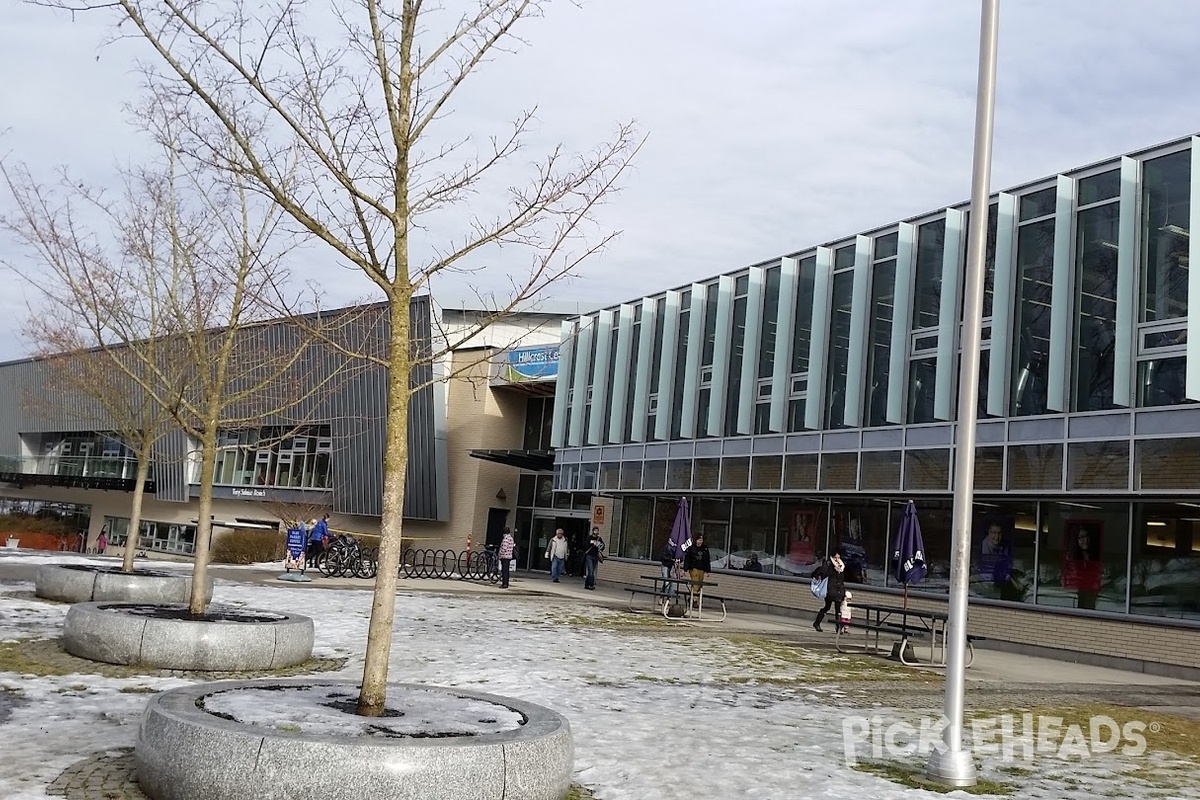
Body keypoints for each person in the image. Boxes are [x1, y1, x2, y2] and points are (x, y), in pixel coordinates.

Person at [812, 550, 847, 633]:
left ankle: (838, 628)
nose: (837, 560)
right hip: (830, 589)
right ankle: (817, 622)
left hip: (839, 590)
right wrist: (832, 568)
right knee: (827, 607)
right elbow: (823, 574)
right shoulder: (828, 564)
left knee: (838, 609)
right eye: (835, 558)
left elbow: (842, 580)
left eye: (838, 557)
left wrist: (843, 592)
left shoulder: (842, 567)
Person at [683, 534, 711, 602]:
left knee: (699, 585)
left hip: (702, 570)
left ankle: (692, 598)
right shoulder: (691, 548)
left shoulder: (705, 549)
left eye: (701, 540)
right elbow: (687, 559)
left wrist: (708, 571)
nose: (700, 542)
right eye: (699, 540)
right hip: (694, 569)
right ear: (696, 540)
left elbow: (707, 560)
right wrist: (685, 569)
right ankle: (694, 600)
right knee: (695, 584)